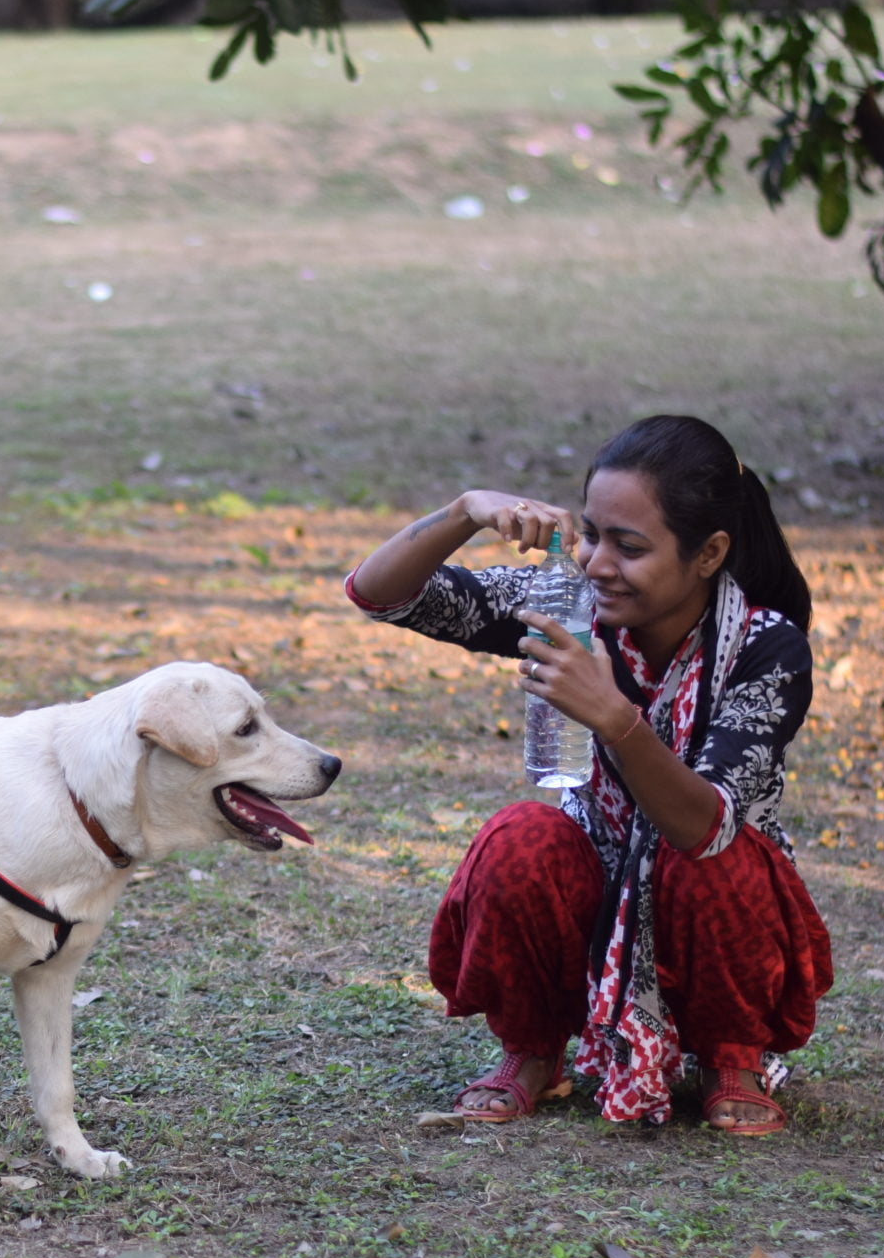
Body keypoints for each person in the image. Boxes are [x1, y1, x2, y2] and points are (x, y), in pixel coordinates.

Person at [344, 415, 833, 1135]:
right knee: (521, 838)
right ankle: (535, 1048)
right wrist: (462, 512)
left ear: (709, 554)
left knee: (710, 859)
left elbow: (707, 825)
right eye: (592, 534)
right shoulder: (568, 607)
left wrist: (617, 718)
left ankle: (733, 1054)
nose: (599, 563)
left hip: (714, 911)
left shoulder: (767, 648)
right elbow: (380, 594)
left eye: (629, 547)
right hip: (596, 889)